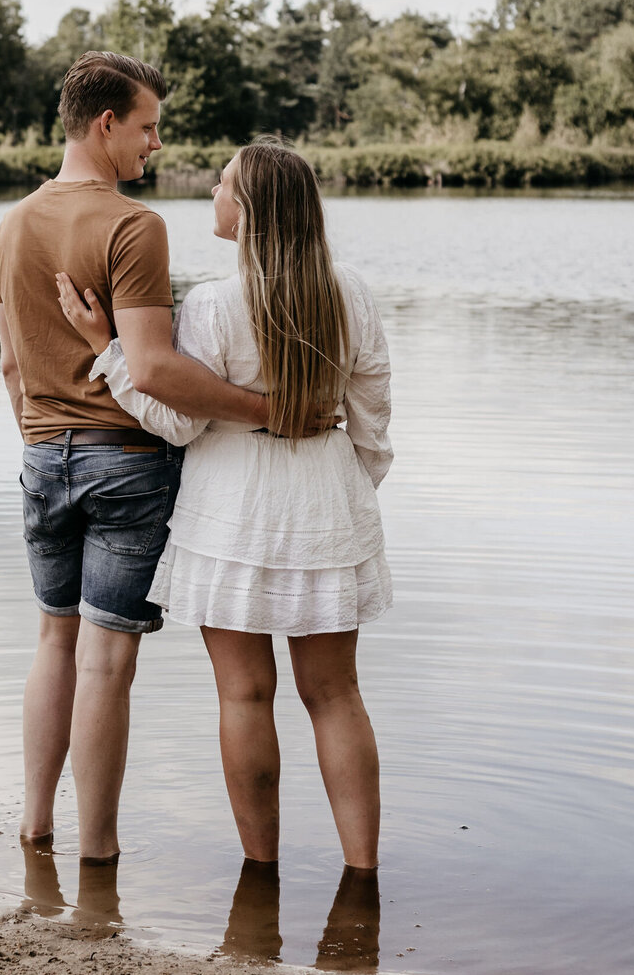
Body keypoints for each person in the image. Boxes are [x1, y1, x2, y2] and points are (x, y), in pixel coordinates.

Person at [56, 138, 393, 873]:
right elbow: (372, 422)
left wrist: (107, 349)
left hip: (229, 516)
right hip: (326, 507)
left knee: (245, 697)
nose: (213, 192)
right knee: (336, 696)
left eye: (221, 184)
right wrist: (340, 496)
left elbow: (177, 421)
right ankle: (363, 874)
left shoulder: (210, 304)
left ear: (245, 212)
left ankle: (261, 872)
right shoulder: (352, 293)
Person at [0, 52, 272, 867]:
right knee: (107, 659)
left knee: (53, 641)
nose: (154, 144)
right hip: (127, 462)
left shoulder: (11, 225)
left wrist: (44, 436)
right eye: (147, 127)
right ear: (105, 123)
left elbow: (11, 365)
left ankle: (36, 825)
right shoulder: (131, 225)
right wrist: (265, 412)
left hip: (42, 456)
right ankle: (99, 853)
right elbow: (150, 368)